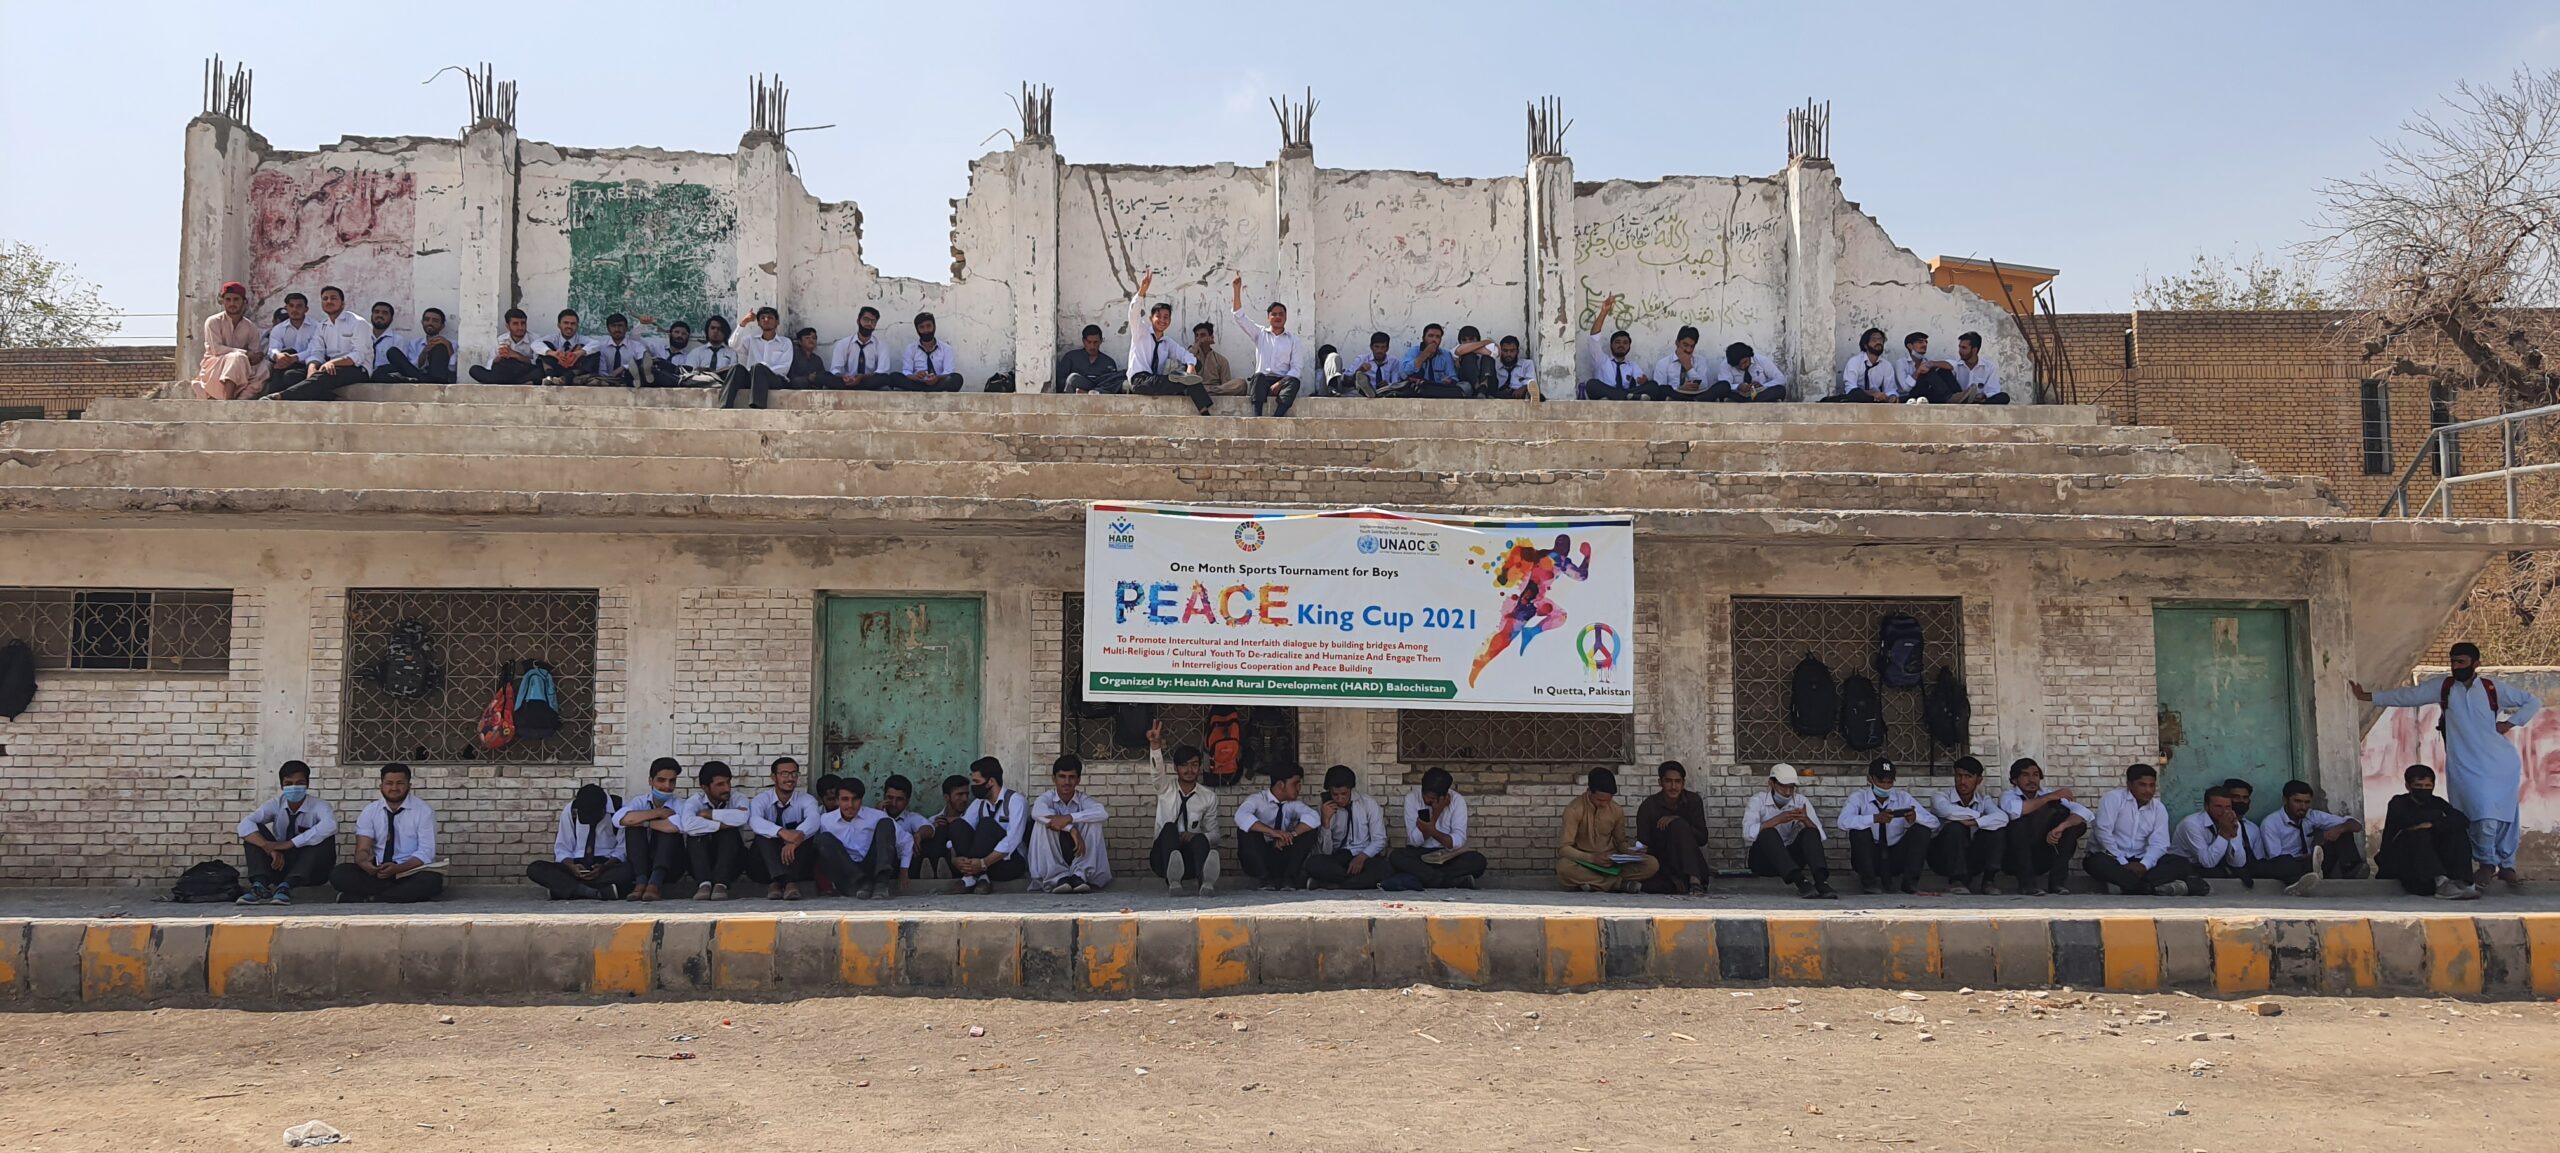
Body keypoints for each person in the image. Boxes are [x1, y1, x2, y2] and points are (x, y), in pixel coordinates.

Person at [2354, 641, 2542, 890]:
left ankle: (2507, 865)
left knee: (2506, 816)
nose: (2456, 666)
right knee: (2481, 814)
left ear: (2476, 663)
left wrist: (2510, 723)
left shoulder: (2491, 688)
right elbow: (2409, 696)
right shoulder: (2444, 687)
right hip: (2464, 765)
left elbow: (2532, 701)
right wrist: (2369, 697)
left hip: (2501, 763)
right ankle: (2487, 863)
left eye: (2461, 662)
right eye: (2453, 662)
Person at [328, 763, 443, 903]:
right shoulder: (370, 811)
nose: (394, 788)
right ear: (381, 786)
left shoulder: (423, 811)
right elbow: (363, 848)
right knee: (340, 874)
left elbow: (426, 852)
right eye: (389, 783)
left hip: (409, 871)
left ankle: (370, 898)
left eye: (400, 783)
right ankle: (393, 896)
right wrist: (364, 863)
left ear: (409, 786)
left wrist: (399, 868)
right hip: (378, 872)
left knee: (431, 881)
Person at [2084, 764, 2199, 896]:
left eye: (2152, 785)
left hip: (2141, 860)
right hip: (2113, 858)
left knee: (2180, 863)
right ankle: (2153, 886)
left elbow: (2160, 843)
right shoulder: (2113, 798)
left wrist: (2145, 864)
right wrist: (2123, 862)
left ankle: (2132, 886)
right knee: (2096, 863)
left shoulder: (2158, 808)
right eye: (2142, 785)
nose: (2148, 790)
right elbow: (2102, 832)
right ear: (2129, 785)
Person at [2376, 764, 2485, 899]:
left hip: (2429, 860)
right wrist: (2437, 817)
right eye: (2418, 786)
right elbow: (2408, 819)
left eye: (2428, 786)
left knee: (2457, 832)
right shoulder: (2398, 802)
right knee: (2417, 834)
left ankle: (2461, 881)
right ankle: (2441, 883)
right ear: (2408, 786)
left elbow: (2461, 819)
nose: (2423, 789)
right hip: (2403, 863)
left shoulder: (2437, 802)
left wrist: (2433, 825)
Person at [235, 759, 334, 904]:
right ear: (282, 785)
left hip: (310, 870)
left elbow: (330, 826)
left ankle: (286, 887)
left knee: (323, 837)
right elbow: (244, 825)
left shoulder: (320, 806)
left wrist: (290, 843)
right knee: (254, 831)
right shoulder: (276, 804)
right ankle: (259, 885)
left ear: (307, 784)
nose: (294, 787)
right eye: (289, 783)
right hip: (279, 863)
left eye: (299, 783)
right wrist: (268, 847)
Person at [1839, 758, 1937, 894]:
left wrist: (1916, 818)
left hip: (1896, 856)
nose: (1885, 787)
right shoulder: (1858, 798)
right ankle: (1869, 884)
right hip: (1871, 857)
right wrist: (1874, 818)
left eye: (1889, 782)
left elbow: (1934, 823)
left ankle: (1910, 884)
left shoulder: (1903, 798)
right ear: (1870, 779)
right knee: (1858, 831)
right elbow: (1843, 822)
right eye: (1881, 782)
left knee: (1922, 830)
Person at [2256, 780, 2367, 895]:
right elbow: (2275, 858)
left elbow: (2356, 825)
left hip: (2316, 861)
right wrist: (2308, 856)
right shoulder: (2271, 823)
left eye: (2307, 802)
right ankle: (2298, 884)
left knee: (2344, 831)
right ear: (2285, 800)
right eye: (2298, 801)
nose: (2303, 807)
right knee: (2286, 864)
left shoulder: (2312, 815)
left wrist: (2338, 830)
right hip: (2291, 865)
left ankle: (2352, 871)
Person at [1557, 768, 1658, 892]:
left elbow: (1620, 842)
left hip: (1610, 862)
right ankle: (1619, 885)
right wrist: (1592, 858)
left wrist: (1632, 852)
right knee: (1564, 868)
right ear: (1589, 791)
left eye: (1608, 800)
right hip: (1585, 862)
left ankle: (1595, 884)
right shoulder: (1574, 810)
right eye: (1600, 800)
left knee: (1651, 864)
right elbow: (1564, 849)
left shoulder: (1616, 810)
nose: (1604, 804)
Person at [1148, 723, 1222, 894]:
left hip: (1190, 859)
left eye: (1194, 765)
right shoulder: (1165, 788)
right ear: (1176, 768)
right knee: (1169, 829)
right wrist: (1155, 745)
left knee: (1201, 838)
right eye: (1184, 765)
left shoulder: (1208, 797)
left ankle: (1205, 882)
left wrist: (1196, 836)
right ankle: (1173, 881)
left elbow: (1215, 834)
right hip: (1162, 856)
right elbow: (1157, 773)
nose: (1189, 770)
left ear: (1200, 767)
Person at [1744, 763, 1836, 899]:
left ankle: (1821, 881)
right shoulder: (1758, 800)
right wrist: (1777, 820)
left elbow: (1819, 836)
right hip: (1764, 861)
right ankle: (1801, 882)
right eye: (1783, 786)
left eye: (1791, 787)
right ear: (1771, 784)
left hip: (1791, 859)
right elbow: (1747, 833)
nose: (1787, 792)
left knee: (1810, 831)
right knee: (1768, 832)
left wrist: (1805, 820)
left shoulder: (1800, 801)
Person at [526, 783, 631, 901]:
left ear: (603, 810)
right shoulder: (571, 810)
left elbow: (622, 850)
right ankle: (594, 891)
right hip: (576, 866)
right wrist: (571, 866)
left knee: (629, 870)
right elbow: (563, 848)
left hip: (606, 865)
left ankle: (566, 888)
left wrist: (604, 867)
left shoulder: (620, 809)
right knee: (535, 868)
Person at [2001, 757, 2090, 895]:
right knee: (2018, 824)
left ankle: (2057, 883)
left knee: (2073, 825)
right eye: (2025, 775)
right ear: (2014, 780)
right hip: (2015, 858)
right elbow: (2017, 811)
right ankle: (2027, 885)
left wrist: (2060, 828)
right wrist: (2048, 797)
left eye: (2035, 775)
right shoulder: (2008, 796)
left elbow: (2083, 813)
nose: (2031, 780)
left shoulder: (2048, 793)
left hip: (2043, 853)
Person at [1389, 768, 1491, 888]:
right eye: (1426, 796)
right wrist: (1436, 814)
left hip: (1447, 855)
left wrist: (1432, 830)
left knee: (1478, 861)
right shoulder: (1412, 798)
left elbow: (1457, 842)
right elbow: (1415, 841)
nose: (1428, 800)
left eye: (1433, 798)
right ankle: (1449, 881)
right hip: (1420, 853)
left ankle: (1428, 879)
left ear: (1444, 796)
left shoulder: (1457, 800)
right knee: (1396, 857)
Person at [1125, 273, 1210, 413]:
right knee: (1182, 379)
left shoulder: (1167, 342)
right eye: (1158, 316)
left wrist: (1190, 365)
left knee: (1192, 373)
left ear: (1169, 321)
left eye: (1166, 317)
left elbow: (1186, 355)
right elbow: (1133, 313)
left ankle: (1204, 411)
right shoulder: (1140, 331)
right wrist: (1142, 291)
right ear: (1151, 318)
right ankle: (1202, 409)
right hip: (1140, 381)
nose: (1162, 320)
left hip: (1157, 381)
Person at [269, 285, 372, 401]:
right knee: (291, 375)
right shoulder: (322, 325)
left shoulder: (358, 322)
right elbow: (317, 351)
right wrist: (312, 367)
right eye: (325, 298)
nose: (329, 301)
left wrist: (333, 362)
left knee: (325, 375)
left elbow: (359, 354)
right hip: (330, 366)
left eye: (333, 298)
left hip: (357, 368)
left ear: (342, 303)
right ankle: (334, 399)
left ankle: (281, 396)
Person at [812, 777, 908, 900]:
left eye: (855, 799)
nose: (850, 805)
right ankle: (862, 884)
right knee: (823, 839)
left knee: (886, 824)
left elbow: (906, 840)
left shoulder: (876, 816)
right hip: (848, 876)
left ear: (861, 800)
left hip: (871, 868)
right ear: (837, 801)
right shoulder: (826, 820)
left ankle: (881, 884)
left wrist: (904, 871)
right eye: (845, 799)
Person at [1027, 755, 1112, 893]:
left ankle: (1079, 875)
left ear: (1078, 780)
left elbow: (1102, 813)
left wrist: (1070, 818)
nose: (1067, 782)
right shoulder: (1046, 798)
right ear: (1054, 778)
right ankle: (1058, 877)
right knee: (1043, 823)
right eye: (1062, 776)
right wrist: (1071, 829)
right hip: (1054, 851)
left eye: (1071, 777)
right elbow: (1037, 812)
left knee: (1094, 821)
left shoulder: (1082, 799)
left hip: (1078, 851)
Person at [1928, 756, 2010, 895]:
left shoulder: (1984, 800)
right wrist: (1979, 816)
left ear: (1979, 780)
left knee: (1997, 830)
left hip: (1971, 857)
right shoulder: (1941, 796)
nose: (1962, 781)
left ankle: (1988, 880)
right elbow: (1946, 810)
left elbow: (2002, 817)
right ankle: (1956, 880)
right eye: (1959, 776)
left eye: (1968, 777)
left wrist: (1975, 822)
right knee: (1955, 827)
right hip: (1942, 858)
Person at [1229, 275, 1307, 417]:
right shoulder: (1260, 333)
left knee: (1294, 382)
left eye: (1281, 314)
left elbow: (1296, 368)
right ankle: (1257, 417)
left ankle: (1277, 417)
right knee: (1258, 377)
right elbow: (1239, 317)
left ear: (1285, 317)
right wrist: (1236, 290)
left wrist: (1279, 384)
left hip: (1282, 381)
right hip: (1263, 381)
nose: (1277, 317)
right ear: (1268, 317)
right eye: (1274, 314)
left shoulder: (1293, 340)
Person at [1234, 764, 1321, 890]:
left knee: (1309, 830)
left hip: (1282, 856)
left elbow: (1314, 818)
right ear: (1281, 785)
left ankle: (1289, 879)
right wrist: (1272, 832)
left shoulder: (1293, 804)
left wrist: (1290, 835)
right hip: (1259, 857)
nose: (1299, 788)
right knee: (1246, 829)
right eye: (1295, 784)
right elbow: (1241, 816)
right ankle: (1265, 879)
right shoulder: (1257, 799)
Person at [614, 757, 690, 901]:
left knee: (667, 830)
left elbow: (678, 826)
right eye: (661, 780)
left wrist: (645, 822)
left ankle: (655, 884)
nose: (667, 786)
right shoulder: (640, 801)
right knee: (633, 829)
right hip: (642, 864)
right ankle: (641, 882)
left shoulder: (681, 805)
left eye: (672, 781)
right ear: (650, 781)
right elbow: (620, 819)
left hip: (670, 866)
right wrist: (658, 813)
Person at [748, 756, 822, 900]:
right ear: (773, 777)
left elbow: (814, 820)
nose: (790, 778)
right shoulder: (761, 799)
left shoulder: (806, 799)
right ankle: (788, 882)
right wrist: (781, 832)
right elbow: (754, 820)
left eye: (794, 774)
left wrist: (795, 840)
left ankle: (776, 883)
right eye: (784, 774)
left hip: (796, 864)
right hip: (763, 868)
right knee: (763, 834)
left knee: (806, 835)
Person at [955, 756, 1032, 894]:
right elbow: (964, 828)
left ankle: (972, 876)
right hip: (983, 863)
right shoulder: (979, 803)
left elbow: (1012, 840)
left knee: (987, 824)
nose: (973, 787)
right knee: (958, 825)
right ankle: (981, 877)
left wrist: (983, 863)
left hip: (1008, 863)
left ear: (990, 781)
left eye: (977, 782)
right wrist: (954, 858)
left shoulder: (1016, 801)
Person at [1305, 764, 1388, 890]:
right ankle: (1353, 883)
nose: (1340, 799)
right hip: (1338, 858)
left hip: (1364, 856)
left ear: (1351, 789)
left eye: (1344, 794)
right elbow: (1325, 851)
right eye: (1335, 794)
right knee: (1313, 864)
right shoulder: (1325, 808)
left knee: (1384, 869)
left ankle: (1331, 884)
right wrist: (1325, 822)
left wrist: (1361, 857)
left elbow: (1380, 839)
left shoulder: (1368, 804)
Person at [679, 760, 752, 900]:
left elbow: (743, 817)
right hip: (700, 863)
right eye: (720, 784)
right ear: (705, 787)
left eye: (728, 782)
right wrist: (721, 825)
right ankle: (704, 884)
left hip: (732, 863)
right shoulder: (695, 801)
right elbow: (688, 825)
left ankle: (721, 884)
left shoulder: (737, 797)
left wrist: (708, 814)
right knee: (696, 835)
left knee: (729, 833)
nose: (727, 788)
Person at [1635, 760, 1711, 895]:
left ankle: (1694, 880)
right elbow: (1644, 842)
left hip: (1691, 862)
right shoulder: (1649, 806)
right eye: (1668, 781)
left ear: (1683, 783)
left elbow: (1702, 839)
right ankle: (1685, 883)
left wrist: (1678, 821)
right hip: (1663, 861)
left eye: (1677, 782)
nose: (1673, 787)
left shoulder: (1693, 801)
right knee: (1660, 885)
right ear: (1660, 782)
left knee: (1678, 825)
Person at [2169, 785, 2259, 890]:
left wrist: (2233, 836)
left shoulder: (2232, 822)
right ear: (2206, 807)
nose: (2224, 811)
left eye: (2228, 807)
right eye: (2218, 807)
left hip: (2213, 864)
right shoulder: (2191, 824)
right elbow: (2207, 862)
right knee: (2218, 873)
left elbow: (2238, 862)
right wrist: (2224, 834)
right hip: (2184, 865)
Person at [193, 281, 271, 400]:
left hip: (242, 368)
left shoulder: (251, 327)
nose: (232, 303)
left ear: (244, 302)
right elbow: (216, 349)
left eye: (236, 299)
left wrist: (256, 356)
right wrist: (245, 353)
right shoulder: (213, 322)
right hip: (215, 367)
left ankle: (241, 400)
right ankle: (228, 401)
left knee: (265, 367)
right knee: (236, 357)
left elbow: (254, 353)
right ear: (223, 301)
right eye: (228, 300)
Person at [722, 306, 796, 409]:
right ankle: (724, 407)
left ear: (777, 322)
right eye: (762, 318)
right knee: (736, 368)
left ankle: (757, 407)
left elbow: (784, 367)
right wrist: (743, 323)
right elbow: (733, 344)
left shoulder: (785, 342)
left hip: (775, 379)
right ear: (758, 323)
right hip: (753, 378)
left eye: (770, 317)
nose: (766, 320)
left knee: (759, 368)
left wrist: (763, 370)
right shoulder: (751, 340)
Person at [1581, 295, 1652, 400]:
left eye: (1625, 343)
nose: (1621, 345)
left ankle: (1625, 396)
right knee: (1592, 384)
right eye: (1617, 342)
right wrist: (1604, 312)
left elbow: (1640, 379)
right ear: (1611, 345)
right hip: (1607, 396)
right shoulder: (1601, 360)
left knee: (1653, 386)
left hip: (1628, 396)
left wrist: (1643, 381)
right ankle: (1625, 396)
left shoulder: (1632, 366)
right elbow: (1594, 337)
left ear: (1629, 347)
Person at [912, 773, 974, 879]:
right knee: (938, 830)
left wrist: (954, 822)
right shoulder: (933, 820)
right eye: (959, 795)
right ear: (946, 797)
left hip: (963, 864)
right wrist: (933, 829)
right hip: (938, 858)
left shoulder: (972, 817)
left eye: (966, 794)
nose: (965, 799)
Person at [373, 306, 457, 384]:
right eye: (427, 320)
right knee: (392, 352)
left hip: (440, 378)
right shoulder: (414, 343)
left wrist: (449, 347)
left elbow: (453, 368)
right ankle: (424, 380)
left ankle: (427, 381)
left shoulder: (452, 343)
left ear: (442, 326)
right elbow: (411, 368)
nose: (430, 323)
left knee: (439, 348)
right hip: (419, 375)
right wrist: (424, 352)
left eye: (435, 321)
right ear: (422, 322)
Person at [1827, 327, 1907, 403]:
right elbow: (1850, 388)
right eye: (1874, 340)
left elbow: (1890, 389)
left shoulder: (1886, 365)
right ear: (1865, 345)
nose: (1878, 342)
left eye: (1880, 340)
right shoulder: (1855, 362)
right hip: (1857, 400)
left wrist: (1892, 396)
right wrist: (1872, 393)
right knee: (1856, 393)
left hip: (1877, 402)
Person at [830, 306, 902, 390]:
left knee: (886, 378)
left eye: (873, 321)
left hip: (869, 382)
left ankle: (857, 386)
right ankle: (853, 385)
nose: (869, 324)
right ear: (858, 321)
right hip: (847, 382)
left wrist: (861, 377)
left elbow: (882, 371)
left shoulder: (881, 345)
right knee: (824, 376)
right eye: (866, 319)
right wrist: (843, 376)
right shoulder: (843, 343)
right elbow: (835, 369)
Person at [880, 775, 936, 882]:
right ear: (884, 797)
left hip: (907, 866)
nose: (893, 803)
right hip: (883, 865)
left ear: (907, 801)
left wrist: (919, 835)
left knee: (925, 843)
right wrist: (878, 814)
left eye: (899, 799)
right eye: (890, 798)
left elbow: (929, 828)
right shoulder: (873, 815)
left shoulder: (911, 818)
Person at [467, 308, 545, 384]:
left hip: (523, 371)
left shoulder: (535, 339)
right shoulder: (501, 339)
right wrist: (498, 358)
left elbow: (537, 363)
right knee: (474, 370)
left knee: (538, 373)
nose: (520, 327)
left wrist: (516, 355)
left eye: (523, 323)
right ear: (508, 326)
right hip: (504, 371)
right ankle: (515, 382)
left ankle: (503, 382)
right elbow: (490, 365)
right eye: (515, 324)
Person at [1393, 323, 1468, 399]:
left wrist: (1449, 381)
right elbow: (1404, 373)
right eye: (1430, 336)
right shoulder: (1414, 351)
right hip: (1420, 388)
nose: (1434, 340)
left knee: (1465, 387)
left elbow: (1453, 377)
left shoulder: (1445, 354)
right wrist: (1424, 354)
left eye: (1437, 337)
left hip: (1438, 388)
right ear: (1423, 338)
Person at [899, 312, 965, 391]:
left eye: (928, 326)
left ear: (934, 327)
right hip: (917, 383)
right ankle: (924, 390)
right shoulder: (910, 349)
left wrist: (937, 378)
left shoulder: (946, 349)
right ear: (917, 330)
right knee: (895, 376)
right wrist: (916, 377)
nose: (926, 330)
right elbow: (906, 371)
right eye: (921, 327)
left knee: (956, 378)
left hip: (938, 383)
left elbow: (948, 371)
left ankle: (929, 390)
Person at [1706, 341, 1789, 403]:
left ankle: (1754, 401)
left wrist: (1763, 386)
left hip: (1759, 395)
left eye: (1745, 362)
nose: (1743, 367)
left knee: (1780, 390)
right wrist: (1737, 386)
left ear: (1749, 356)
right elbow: (1723, 385)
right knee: (1721, 387)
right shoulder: (1726, 364)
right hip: (1738, 396)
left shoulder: (1761, 360)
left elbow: (1780, 379)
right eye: (1738, 366)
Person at [266, 291, 318, 390]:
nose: (294, 309)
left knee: (290, 374)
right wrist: (278, 356)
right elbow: (273, 349)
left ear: (306, 309)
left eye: (299, 306)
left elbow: (314, 350)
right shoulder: (278, 329)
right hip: (285, 364)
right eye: (291, 306)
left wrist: (295, 358)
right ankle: (273, 395)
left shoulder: (316, 327)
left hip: (307, 365)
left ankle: (273, 395)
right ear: (286, 308)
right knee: (283, 355)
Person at [537, 308, 603, 385]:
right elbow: (535, 344)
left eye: (573, 324)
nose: (569, 326)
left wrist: (577, 354)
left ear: (577, 326)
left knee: (593, 352)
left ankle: (565, 378)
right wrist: (554, 354)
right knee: (544, 346)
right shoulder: (553, 338)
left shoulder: (581, 339)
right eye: (566, 323)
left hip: (574, 372)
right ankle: (549, 377)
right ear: (559, 325)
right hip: (556, 369)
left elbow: (597, 344)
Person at [1652, 326, 1715, 401]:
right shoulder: (1663, 363)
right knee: (1663, 389)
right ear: (1677, 343)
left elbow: (1705, 386)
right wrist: (1680, 388)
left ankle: (1692, 400)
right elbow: (1659, 389)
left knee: (1720, 387)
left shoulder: (1700, 361)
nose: (1688, 350)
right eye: (1685, 345)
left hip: (1696, 397)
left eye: (1692, 346)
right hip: (1674, 396)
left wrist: (1689, 368)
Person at [1327, 331, 1398, 397]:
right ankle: (1366, 388)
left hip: (1385, 393)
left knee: (1396, 389)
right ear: (1371, 347)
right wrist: (1359, 371)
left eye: (1383, 347)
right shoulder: (1361, 359)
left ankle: (1372, 391)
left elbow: (1396, 383)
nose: (1379, 351)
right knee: (1354, 390)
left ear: (1387, 348)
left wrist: (1387, 385)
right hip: (1361, 394)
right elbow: (1346, 379)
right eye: (1376, 347)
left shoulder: (1394, 362)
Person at [593, 313, 656, 386]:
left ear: (626, 328)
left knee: (638, 368)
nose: (617, 329)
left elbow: (644, 362)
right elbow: (602, 372)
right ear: (608, 329)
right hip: (608, 382)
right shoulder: (602, 347)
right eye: (613, 326)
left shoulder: (636, 345)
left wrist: (624, 367)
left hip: (632, 380)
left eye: (620, 326)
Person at [1059, 324, 1124, 394]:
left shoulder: (1109, 362)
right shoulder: (1071, 357)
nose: (1092, 346)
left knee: (1123, 377)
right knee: (1072, 378)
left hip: (1101, 390)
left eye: (1095, 342)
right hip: (1080, 389)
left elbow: (1113, 383)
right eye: (1089, 342)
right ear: (1083, 341)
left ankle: (1089, 393)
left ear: (1101, 341)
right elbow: (1061, 382)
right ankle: (1090, 393)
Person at [1900, 332, 1961, 403]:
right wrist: (1918, 372)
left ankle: (1958, 395)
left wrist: (1932, 363)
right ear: (1910, 346)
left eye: (1926, 342)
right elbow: (1905, 388)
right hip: (1909, 397)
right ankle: (1949, 397)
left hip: (1924, 397)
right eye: (1920, 342)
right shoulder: (1901, 363)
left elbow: (1953, 366)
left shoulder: (1927, 361)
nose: (1924, 345)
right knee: (1929, 372)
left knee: (1943, 371)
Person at [1948, 332, 2006, 404]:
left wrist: (1983, 396)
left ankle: (1976, 402)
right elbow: (1946, 364)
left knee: (2004, 397)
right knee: (1942, 371)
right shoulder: (1956, 364)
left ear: (1974, 350)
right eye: (1959, 347)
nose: (1960, 351)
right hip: (1960, 400)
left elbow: (1993, 390)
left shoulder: (1989, 367)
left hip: (1979, 401)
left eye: (1964, 348)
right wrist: (1933, 364)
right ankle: (1964, 397)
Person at [1190, 321, 1239, 396]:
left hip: (1215, 389)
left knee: (1241, 383)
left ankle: (1207, 391)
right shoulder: (1190, 354)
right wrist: (1196, 346)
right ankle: (1204, 391)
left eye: (1202, 335)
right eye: (1196, 335)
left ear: (1211, 337)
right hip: (1196, 388)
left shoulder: (1221, 360)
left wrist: (1213, 389)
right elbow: (1183, 367)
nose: (1198, 338)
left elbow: (1226, 385)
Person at [1483, 335, 1537, 400]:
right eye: (1505, 351)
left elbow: (1532, 382)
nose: (1508, 354)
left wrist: (1523, 388)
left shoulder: (1527, 364)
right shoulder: (1495, 366)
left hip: (1519, 395)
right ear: (1501, 351)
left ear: (1517, 351)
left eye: (1512, 351)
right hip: (1499, 395)